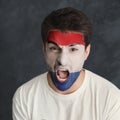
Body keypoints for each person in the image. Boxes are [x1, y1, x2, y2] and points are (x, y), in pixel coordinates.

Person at [12, 7, 120, 120]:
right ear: (44, 50)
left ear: (86, 52)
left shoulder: (111, 98)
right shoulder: (25, 96)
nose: (62, 60)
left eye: (73, 49)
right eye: (54, 48)